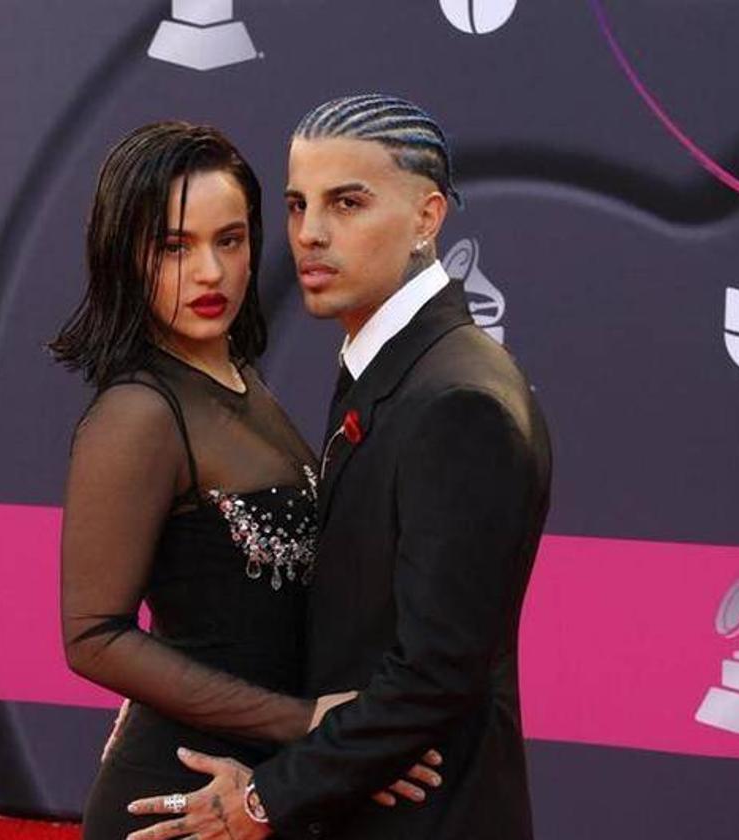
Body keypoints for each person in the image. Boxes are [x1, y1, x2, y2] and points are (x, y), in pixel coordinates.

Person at [124, 94, 553, 840]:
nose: (310, 235)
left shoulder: (459, 400)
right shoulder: (389, 365)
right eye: (296, 206)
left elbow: (433, 674)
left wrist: (261, 801)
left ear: (427, 217)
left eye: (347, 203)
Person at [52, 121, 436, 840]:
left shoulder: (239, 381)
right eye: (175, 247)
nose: (210, 273)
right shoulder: (139, 413)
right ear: (124, 257)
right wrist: (311, 723)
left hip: (264, 789)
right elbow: (92, 637)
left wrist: (344, 738)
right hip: (180, 801)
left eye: (229, 240)